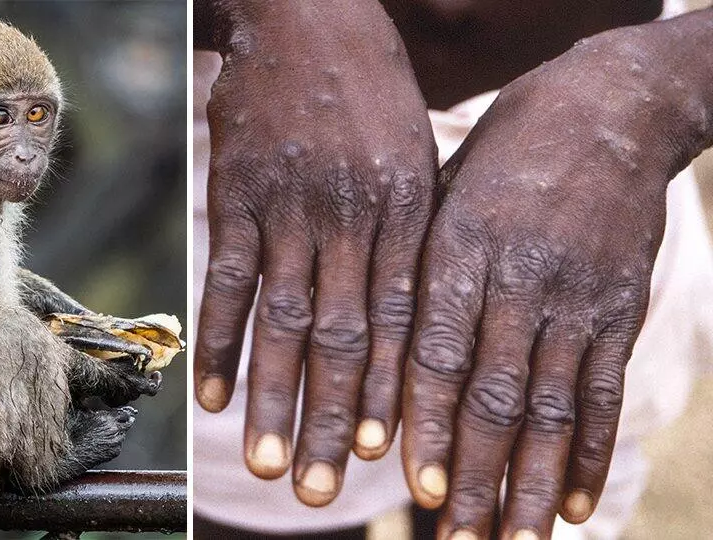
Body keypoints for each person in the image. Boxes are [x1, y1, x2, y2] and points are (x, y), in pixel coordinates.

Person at [191, 1, 713, 538]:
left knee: (506, 492)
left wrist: (665, 86)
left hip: (591, 186)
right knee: (269, 484)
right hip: (278, 135)